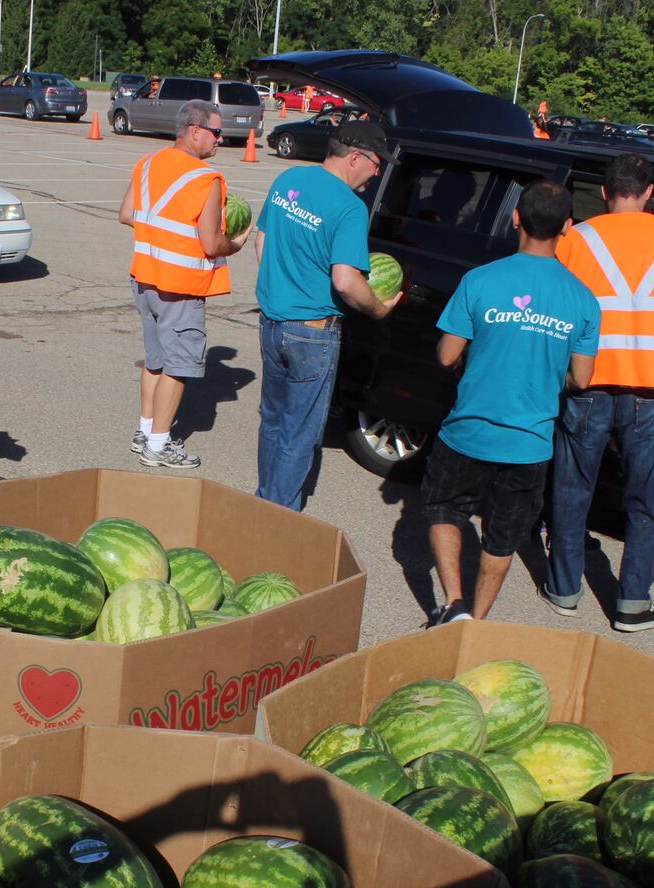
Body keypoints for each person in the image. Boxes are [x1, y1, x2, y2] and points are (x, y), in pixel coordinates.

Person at [423, 179, 600, 625]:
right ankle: (477, 621)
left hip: (468, 429)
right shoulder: (583, 300)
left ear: (516, 218)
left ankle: (453, 603)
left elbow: (446, 356)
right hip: (531, 443)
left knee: (445, 507)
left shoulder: (479, 280)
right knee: (500, 537)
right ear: (568, 227)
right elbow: (581, 377)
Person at [543, 153, 654, 632]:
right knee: (643, 501)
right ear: (650, 192)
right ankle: (633, 602)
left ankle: (564, 590)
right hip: (653, 388)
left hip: (590, 381)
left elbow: (560, 303)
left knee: (573, 490)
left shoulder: (579, 238)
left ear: (606, 191)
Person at [252, 118, 402, 509]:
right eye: (376, 162)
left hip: (272, 324)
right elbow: (346, 281)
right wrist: (379, 309)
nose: (377, 171)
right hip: (313, 333)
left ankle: (263, 501)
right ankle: (278, 516)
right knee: (298, 433)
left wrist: (283, 284)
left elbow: (262, 242)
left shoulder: (289, 180)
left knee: (273, 421)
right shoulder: (350, 208)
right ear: (356, 157)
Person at [116, 99, 250, 469]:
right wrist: (235, 244)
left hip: (144, 277)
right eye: (216, 132)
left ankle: (145, 430)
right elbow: (211, 243)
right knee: (178, 367)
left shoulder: (146, 164)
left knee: (154, 361)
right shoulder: (207, 180)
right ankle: (158, 446)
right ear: (195, 131)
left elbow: (127, 214)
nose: (221, 140)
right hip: (181, 285)